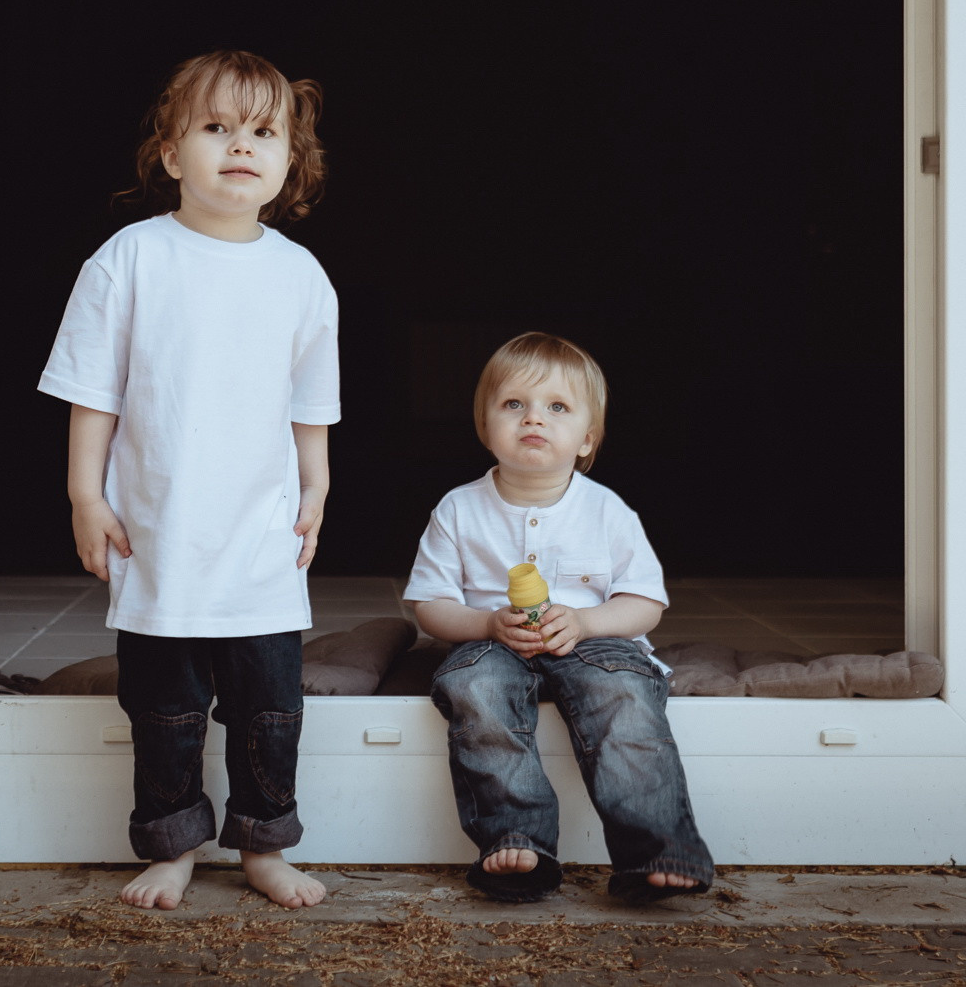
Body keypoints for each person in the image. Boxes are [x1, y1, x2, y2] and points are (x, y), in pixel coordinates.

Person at [39, 50, 338, 911]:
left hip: (259, 537)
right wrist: (85, 495)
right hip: (161, 533)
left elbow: (310, 402)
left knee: (269, 710)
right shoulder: (130, 259)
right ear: (172, 154)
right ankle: (172, 845)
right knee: (164, 708)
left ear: (288, 163)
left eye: (263, 132)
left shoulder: (299, 275)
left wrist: (315, 489)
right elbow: (91, 393)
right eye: (215, 128)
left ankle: (262, 845)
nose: (240, 146)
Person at [403, 331, 716, 904]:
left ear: (586, 438)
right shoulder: (458, 508)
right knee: (474, 685)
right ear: (485, 425)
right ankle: (514, 836)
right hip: (493, 640)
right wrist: (485, 624)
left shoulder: (607, 510)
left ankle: (657, 849)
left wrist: (588, 622)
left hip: (595, 642)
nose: (534, 420)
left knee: (624, 695)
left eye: (557, 408)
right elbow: (429, 604)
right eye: (513, 405)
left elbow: (647, 602)